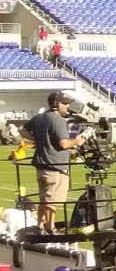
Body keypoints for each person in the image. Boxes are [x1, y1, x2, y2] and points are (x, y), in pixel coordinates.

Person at [24, 94, 85, 233]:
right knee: (52, 200)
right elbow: (63, 144)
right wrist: (78, 141)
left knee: (44, 198)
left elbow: (23, 130)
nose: (67, 106)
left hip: (42, 165)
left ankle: (40, 225)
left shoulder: (39, 117)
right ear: (56, 104)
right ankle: (50, 227)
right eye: (65, 103)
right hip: (55, 166)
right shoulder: (57, 120)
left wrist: (38, 140)